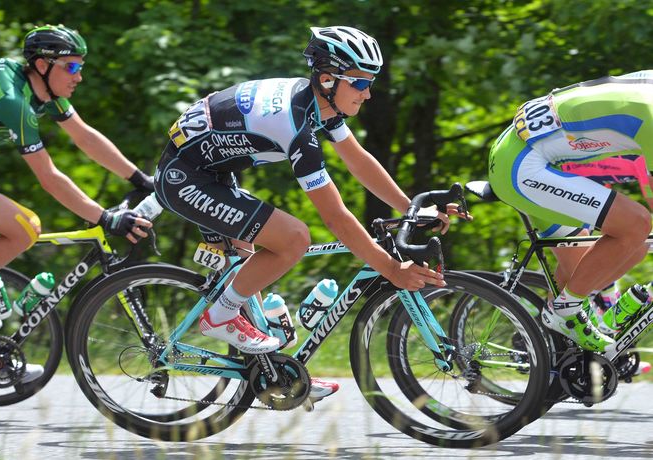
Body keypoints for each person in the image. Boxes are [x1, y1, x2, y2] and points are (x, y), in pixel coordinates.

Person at [153, 26, 465, 402]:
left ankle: (278, 374)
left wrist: (410, 207)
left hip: (212, 172)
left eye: (371, 82)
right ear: (329, 78)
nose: (368, 93)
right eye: (361, 82)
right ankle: (219, 316)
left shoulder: (322, 104)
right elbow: (335, 217)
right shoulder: (297, 124)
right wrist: (390, 268)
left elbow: (359, 161)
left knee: (253, 266)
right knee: (294, 239)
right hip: (185, 178)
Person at [0, 24, 152, 381]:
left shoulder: (41, 93)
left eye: (81, 67)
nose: (79, 76)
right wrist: (104, 218)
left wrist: (139, 179)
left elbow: (84, 136)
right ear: (43, 65)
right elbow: (48, 177)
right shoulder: (13, 101)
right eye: (72, 67)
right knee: (24, 228)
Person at [488, 70, 653, 351]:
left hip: (532, 157)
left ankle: (557, 357)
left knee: (627, 249)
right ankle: (566, 312)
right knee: (637, 225)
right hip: (523, 166)